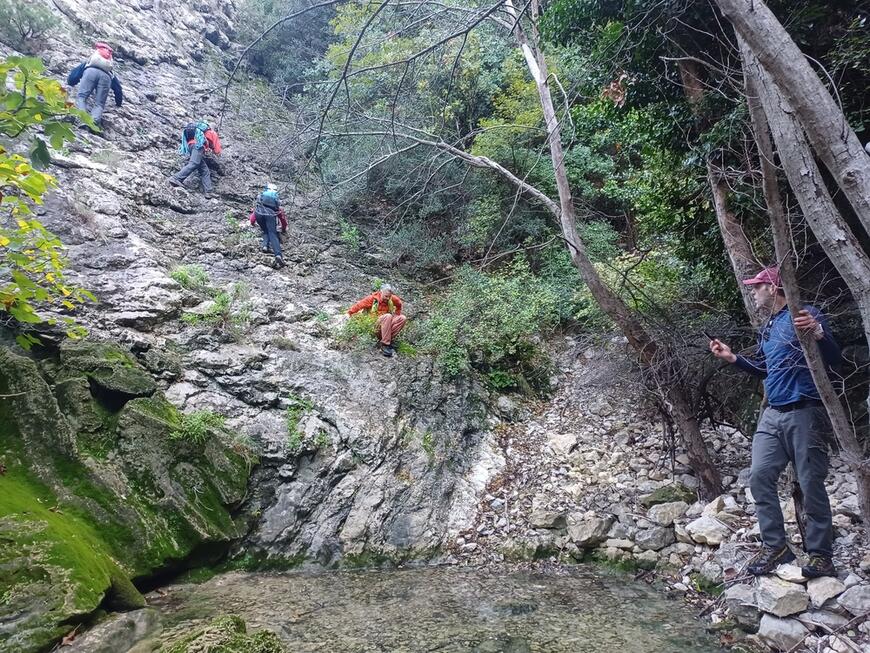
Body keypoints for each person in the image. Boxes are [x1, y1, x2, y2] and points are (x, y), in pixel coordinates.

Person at [709, 266, 841, 578]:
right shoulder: (768, 326)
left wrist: (819, 333)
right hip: (773, 414)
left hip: (806, 411)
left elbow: (834, 358)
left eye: (757, 287)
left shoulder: (805, 314)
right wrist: (732, 358)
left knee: (810, 483)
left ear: (773, 287)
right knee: (759, 477)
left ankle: (821, 554)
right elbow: (766, 370)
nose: (753, 293)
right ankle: (776, 547)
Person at [67, 42, 123, 131]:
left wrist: (71, 82)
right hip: (106, 77)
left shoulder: (90, 62)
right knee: (99, 104)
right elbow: (118, 88)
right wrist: (119, 102)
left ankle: (82, 119)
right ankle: (92, 123)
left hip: (90, 72)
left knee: (81, 97)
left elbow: (75, 75)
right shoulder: (109, 69)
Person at [347, 284, 407, 357]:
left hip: (386, 328)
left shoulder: (392, 299)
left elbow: (399, 304)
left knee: (402, 318)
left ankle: (388, 338)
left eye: (389, 296)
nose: (388, 298)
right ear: (380, 292)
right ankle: (385, 345)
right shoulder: (371, 299)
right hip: (374, 326)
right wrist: (349, 314)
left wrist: (397, 313)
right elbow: (358, 305)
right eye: (386, 296)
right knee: (388, 316)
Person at [169, 121, 222, 198]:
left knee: (205, 170)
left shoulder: (201, 132)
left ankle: (208, 191)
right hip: (198, 147)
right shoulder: (212, 132)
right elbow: (217, 149)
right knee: (194, 163)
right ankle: (176, 178)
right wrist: (217, 153)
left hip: (191, 146)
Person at [248, 184, 287, 268]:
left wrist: (252, 222)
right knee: (273, 233)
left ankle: (265, 246)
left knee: (265, 230)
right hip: (270, 215)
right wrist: (283, 228)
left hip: (259, 214)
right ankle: (278, 255)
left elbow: (254, 214)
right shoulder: (276, 203)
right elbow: (282, 218)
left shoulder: (260, 200)